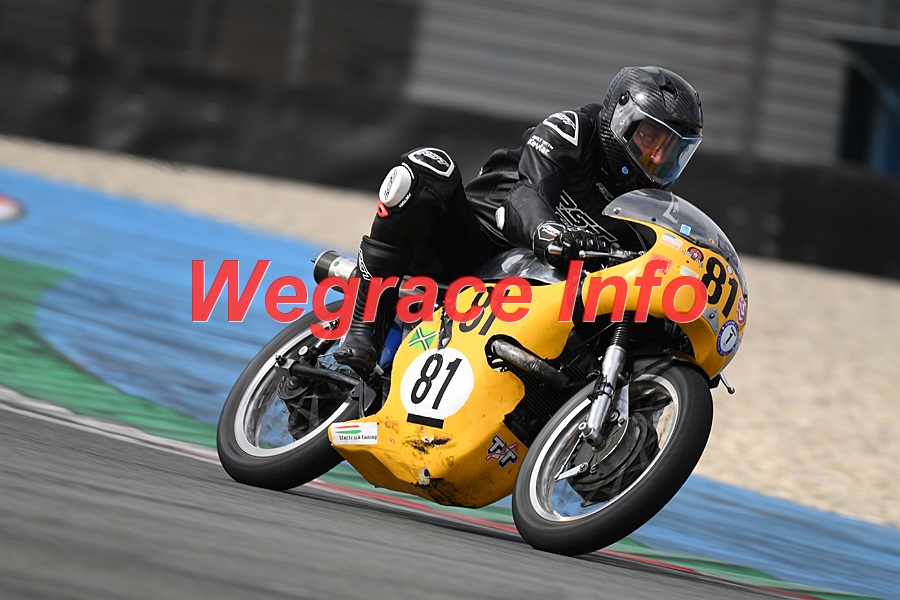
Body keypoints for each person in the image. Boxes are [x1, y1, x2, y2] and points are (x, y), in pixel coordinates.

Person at [334, 65, 703, 374]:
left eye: (672, 152)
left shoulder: (649, 207)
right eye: (650, 139)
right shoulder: (574, 129)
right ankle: (365, 323)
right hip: (476, 243)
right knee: (427, 169)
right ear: (622, 119)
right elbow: (527, 192)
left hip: (538, 298)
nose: (658, 159)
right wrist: (549, 232)